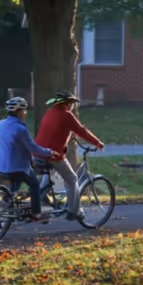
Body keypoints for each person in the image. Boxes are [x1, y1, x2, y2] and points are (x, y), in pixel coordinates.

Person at [34, 90, 105, 221]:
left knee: (48, 173)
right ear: (66, 104)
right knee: (72, 180)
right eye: (71, 103)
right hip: (53, 155)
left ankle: (39, 198)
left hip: (37, 153)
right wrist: (98, 143)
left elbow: (54, 132)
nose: (72, 106)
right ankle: (74, 211)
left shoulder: (49, 113)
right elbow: (82, 131)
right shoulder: (67, 115)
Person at [0, 97, 58, 222]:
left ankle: (8, 203)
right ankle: (36, 214)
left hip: (0, 164)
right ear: (18, 112)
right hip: (16, 166)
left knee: (15, 183)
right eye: (24, 110)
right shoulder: (21, 129)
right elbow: (32, 147)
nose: (25, 113)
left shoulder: (1, 123)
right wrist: (49, 152)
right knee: (34, 185)